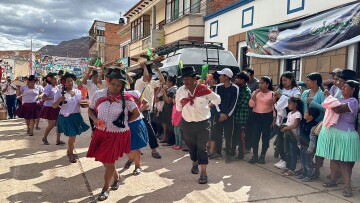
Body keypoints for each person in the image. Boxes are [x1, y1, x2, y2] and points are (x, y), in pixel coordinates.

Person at [87, 68, 140, 201]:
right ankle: (116, 177)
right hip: (101, 133)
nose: (116, 87)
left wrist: (125, 122)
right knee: (105, 161)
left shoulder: (126, 98)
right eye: (113, 84)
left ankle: (105, 189)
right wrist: (95, 120)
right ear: (108, 82)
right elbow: (90, 109)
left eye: (119, 85)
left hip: (117, 134)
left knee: (109, 162)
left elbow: (137, 113)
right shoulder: (98, 95)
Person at [176, 66, 221, 184]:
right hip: (187, 123)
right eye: (183, 80)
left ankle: (203, 173)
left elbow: (217, 100)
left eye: (187, 79)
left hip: (203, 124)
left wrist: (208, 106)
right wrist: (183, 103)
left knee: (202, 148)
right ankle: (194, 162)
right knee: (192, 147)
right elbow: (178, 107)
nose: (185, 82)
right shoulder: (180, 91)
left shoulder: (203, 89)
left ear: (194, 78)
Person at [317, 80, 360, 198]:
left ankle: (347, 186)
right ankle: (333, 179)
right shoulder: (341, 100)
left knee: (344, 162)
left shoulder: (353, 101)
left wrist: (328, 96)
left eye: (345, 87)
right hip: (335, 133)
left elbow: (337, 109)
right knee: (334, 158)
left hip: (345, 134)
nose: (342, 88)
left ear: (353, 90)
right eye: (342, 86)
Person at [53, 72, 90, 163]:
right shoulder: (59, 92)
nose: (71, 83)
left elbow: (81, 105)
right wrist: (60, 100)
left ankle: (69, 150)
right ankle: (71, 154)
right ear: (64, 83)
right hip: (66, 117)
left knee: (73, 137)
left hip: (76, 116)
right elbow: (54, 106)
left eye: (72, 81)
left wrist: (85, 104)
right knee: (72, 137)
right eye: (69, 81)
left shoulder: (78, 92)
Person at [134, 63, 164, 159]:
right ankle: (154, 150)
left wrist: (158, 70)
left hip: (148, 110)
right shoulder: (139, 82)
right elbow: (146, 77)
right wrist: (145, 67)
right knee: (149, 131)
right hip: (140, 110)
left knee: (140, 130)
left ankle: (137, 148)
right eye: (149, 75)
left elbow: (162, 81)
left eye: (152, 76)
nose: (150, 77)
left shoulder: (151, 82)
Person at [209, 68, 238, 163]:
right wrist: (220, 113)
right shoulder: (218, 87)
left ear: (227, 77)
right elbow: (216, 101)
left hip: (229, 116)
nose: (220, 77)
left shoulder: (235, 88)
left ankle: (229, 154)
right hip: (219, 114)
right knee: (218, 133)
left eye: (222, 75)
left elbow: (234, 103)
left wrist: (227, 115)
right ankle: (218, 152)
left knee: (228, 134)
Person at [274, 72, 301, 170]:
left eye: (286, 80)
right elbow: (275, 103)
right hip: (281, 116)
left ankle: (287, 160)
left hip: (291, 117)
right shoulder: (281, 90)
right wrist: (277, 96)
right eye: (282, 80)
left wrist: (283, 97)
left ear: (291, 80)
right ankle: (283, 158)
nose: (284, 82)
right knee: (281, 139)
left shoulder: (296, 90)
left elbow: (297, 100)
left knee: (289, 140)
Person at [300, 72, 325, 178]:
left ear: (315, 82)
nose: (307, 82)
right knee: (304, 146)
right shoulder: (305, 92)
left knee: (316, 148)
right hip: (306, 122)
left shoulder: (322, 94)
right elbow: (302, 106)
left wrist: (313, 103)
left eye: (309, 80)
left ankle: (316, 171)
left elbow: (325, 109)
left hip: (317, 124)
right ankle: (304, 168)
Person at [248, 76, 275, 164]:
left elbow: (274, 108)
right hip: (256, 116)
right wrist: (255, 94)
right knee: (254, 136)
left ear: (267, 84)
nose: (260, 85)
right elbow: (251, 105)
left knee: (265, 137)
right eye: (259, 83)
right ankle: (255, 155)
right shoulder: (256, 93)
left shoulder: (272, 94)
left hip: (267, 117)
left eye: (262, 83)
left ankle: (262, 155)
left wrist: (274, 119)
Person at [123, 90, 149, 176]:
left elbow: (146, 104)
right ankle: (131, 159)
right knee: (124, 146)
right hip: (121, 124)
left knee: (135, 146)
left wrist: (137, 111)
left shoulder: (134, 93)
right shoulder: (111, 95)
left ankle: (137, 166)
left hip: (135, 123)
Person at [279, 97, 303, 176]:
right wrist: (283, 127)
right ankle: (288, 167)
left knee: (293, 153)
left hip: (294, 136)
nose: (288, 105)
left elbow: (295, 125)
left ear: (295, 104)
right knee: (287, 152)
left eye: (289, 103)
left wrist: (286, 128)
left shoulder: (298, 114)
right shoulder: (289, 113)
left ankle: (292, 169)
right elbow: (288, 123)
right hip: (287, 135)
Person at [39, 73, 64, 145]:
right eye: (54, 79)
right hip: (49, 108)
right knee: (51, 125)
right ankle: (44, 138)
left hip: (56, 107)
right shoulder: (48, 87)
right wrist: (53, 98)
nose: (56, 80)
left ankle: (58, 140)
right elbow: (43, 98)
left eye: (56, 78)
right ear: (51, 80)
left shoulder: (57, 87)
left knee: (59, 124)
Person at [297, 107, 320, 182]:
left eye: (306, 113)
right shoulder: (304, 122)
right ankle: (304, 173)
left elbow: (313, 139)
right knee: (303, 160)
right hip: (303, 145)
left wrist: (310, 149)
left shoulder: (313, 126)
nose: (304, 113)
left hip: (309, 147)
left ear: (311, 116)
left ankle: (309, 175)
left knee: (308, 162)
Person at [233, 71, 251, 160]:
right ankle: (233, 151)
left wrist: (232, 103)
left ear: (243, 80)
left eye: (238, 79)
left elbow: (241, 103)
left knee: (240, 136)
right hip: (235, 117)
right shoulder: (237, 88)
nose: (236, 80)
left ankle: (241, 153)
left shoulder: (247, 91)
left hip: (242, 117)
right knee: (234, 134)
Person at [82, 66, 103, 134]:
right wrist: (89, 71)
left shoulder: (102, 82)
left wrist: (102, 71)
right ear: (91, 77)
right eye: (94, 77)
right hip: (92, 106)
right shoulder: (89, 83)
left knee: (101, 122)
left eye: (97, 76)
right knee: (93, 122)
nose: (96, 78)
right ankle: (93, 133)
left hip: (101, 106)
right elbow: (83, 81)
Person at [160, 75, 178, 146]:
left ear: (171, 82)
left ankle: (171, 141)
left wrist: (164, 92)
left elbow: (168, 101)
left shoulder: (173, 90)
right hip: (167, 110)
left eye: (167, 81)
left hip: (170, 110)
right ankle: (168, 139)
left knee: (171, 126)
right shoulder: (170, 89)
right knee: (168, 125)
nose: (166, 83)